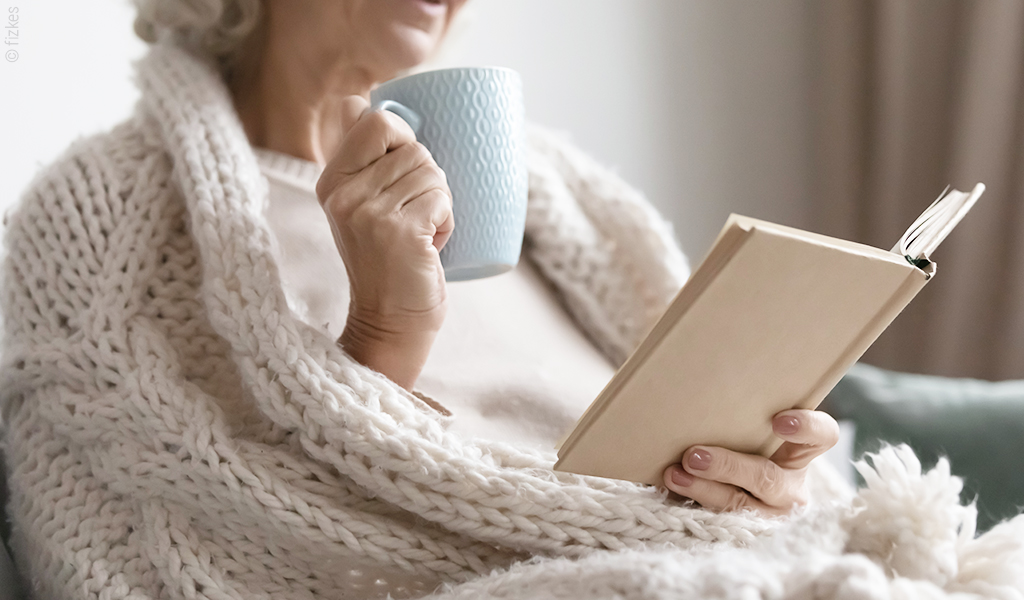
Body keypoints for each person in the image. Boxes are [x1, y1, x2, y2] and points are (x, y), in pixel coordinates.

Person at [0, 1, 842, 598]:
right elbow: (203, 546)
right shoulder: (105, 218)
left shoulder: (554, 190)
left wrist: (761, 490)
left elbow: (710, 486)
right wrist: (383, 335)